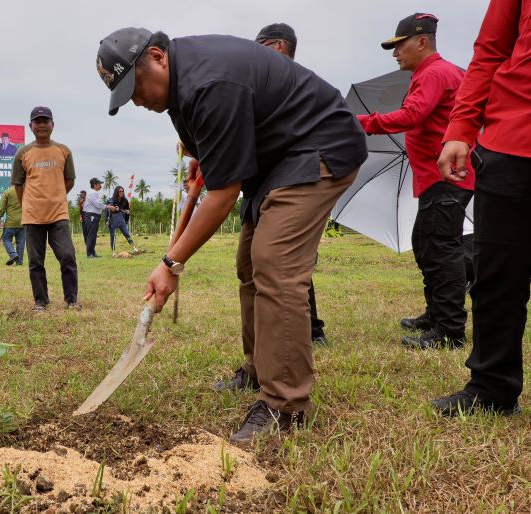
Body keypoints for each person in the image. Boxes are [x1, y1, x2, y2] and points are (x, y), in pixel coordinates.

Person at [97, 27, 366, 441]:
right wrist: (203, 158)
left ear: (157, 56)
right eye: (127, 95)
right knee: (248, 263)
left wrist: (171, 263)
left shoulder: (210, 82)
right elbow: (215, 150)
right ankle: (259, 366)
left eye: (136, 87)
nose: (137, 100)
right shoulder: (179, 90)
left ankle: (285, 405)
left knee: (274, 262)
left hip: (317, 145)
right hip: (274, 159)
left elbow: (223, 196)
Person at [432, 0, 530, 417]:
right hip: (512, 139)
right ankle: (492, 385)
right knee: (496, 273)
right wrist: (461, 127)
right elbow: (489, 50)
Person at [357, 13, 474, 350]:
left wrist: (360, 123)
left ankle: (449, 331)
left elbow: (412, 115)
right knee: (426, 245)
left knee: (441, 249)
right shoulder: (435, 73)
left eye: (399, 46)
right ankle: (436, 314)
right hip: (437, 179)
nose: (395, 54)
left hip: (448, 177)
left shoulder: (435, 73)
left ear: (421, 41)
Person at [255, 22, 328, 346]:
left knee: (289, 262)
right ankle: (307, 330)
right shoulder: (274, 85)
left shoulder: (291, 86)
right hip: (275, 182)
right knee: (284, 262)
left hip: (300, 179)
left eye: (259, 47)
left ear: (277, 47)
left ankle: (311, 331)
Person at [12, 106, 79, 311]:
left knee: (67, 256)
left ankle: (71, 300)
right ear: (31, 126)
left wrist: (55, 196)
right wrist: (31, 203)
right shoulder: (23, 153)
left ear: (52, 125)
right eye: (37, 121)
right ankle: (40, 301)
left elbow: (69, 181)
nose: (41, 125)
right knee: (35, 261)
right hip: (33, 216)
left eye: (45, 121)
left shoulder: (64, 151)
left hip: (58, 214)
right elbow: (18, 184)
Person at [0, 185, 24, 265]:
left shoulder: (7, 192)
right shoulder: (25, 191)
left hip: (10, 223)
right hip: (23, 222)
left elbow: (2, 208)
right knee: (20, 242)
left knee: (6, 239)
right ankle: (19, 262)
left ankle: (13, 254)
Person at [81, 177, 107, 257]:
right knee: (91, 235)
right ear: (95, 184)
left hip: (93, 216)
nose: (100, 185)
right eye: (99, 184)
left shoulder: (94, 193)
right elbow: (98, 205)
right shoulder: (93, 193)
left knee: (93, 235)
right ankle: (90, 254)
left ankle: (92, 253)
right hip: (91, 215)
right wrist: (108, 207)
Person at [106, 186, 137, 255]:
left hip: (121, 219)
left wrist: (126, 220)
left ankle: (134, 248)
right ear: (116, 192)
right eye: (120, 191)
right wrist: (107, 219)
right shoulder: (110, 200)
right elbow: (107, 211)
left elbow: (127, 211)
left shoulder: (125, 200)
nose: (121, 192)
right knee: (113, 236)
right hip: (112, 219)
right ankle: (113, 252)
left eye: (122, 191)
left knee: (126, 233)